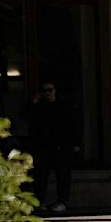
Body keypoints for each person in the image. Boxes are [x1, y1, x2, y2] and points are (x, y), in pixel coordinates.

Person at [26, 81, 76, 214]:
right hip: (43, 147)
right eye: (44, 91)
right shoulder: (39, 106)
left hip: (61, 147)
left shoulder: (63, 106)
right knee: (41, 175)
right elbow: (25, 117)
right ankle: (39, 201)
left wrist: (72, 144)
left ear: (55, 91)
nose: (47, 93)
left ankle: (62, 201)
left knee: (63, 175)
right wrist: (33, 103)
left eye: (49, 90)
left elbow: (71, 126)